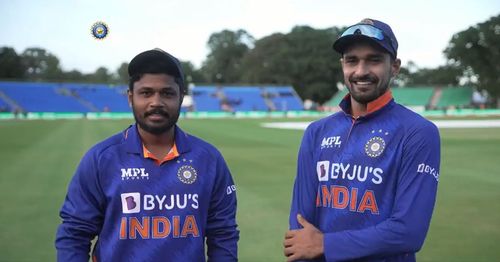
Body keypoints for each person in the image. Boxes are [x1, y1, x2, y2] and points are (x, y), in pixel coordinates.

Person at [56, 48, 239, 261]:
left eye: (167, 93)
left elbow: (223, 234)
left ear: (181, 97)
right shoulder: (101, 159)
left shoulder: (209, 159)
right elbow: (74, 233)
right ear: (130, 98)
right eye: (146, 93)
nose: (156, 102)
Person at [284, 18, 440, 262]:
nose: (361, 71)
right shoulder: (316, 132)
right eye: (352, 60)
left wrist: (326, 244)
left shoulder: (418, 132)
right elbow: (301, 229)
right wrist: (310, 247)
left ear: (395, 67)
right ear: (342, 65)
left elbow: (409, 232)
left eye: (374, 60)